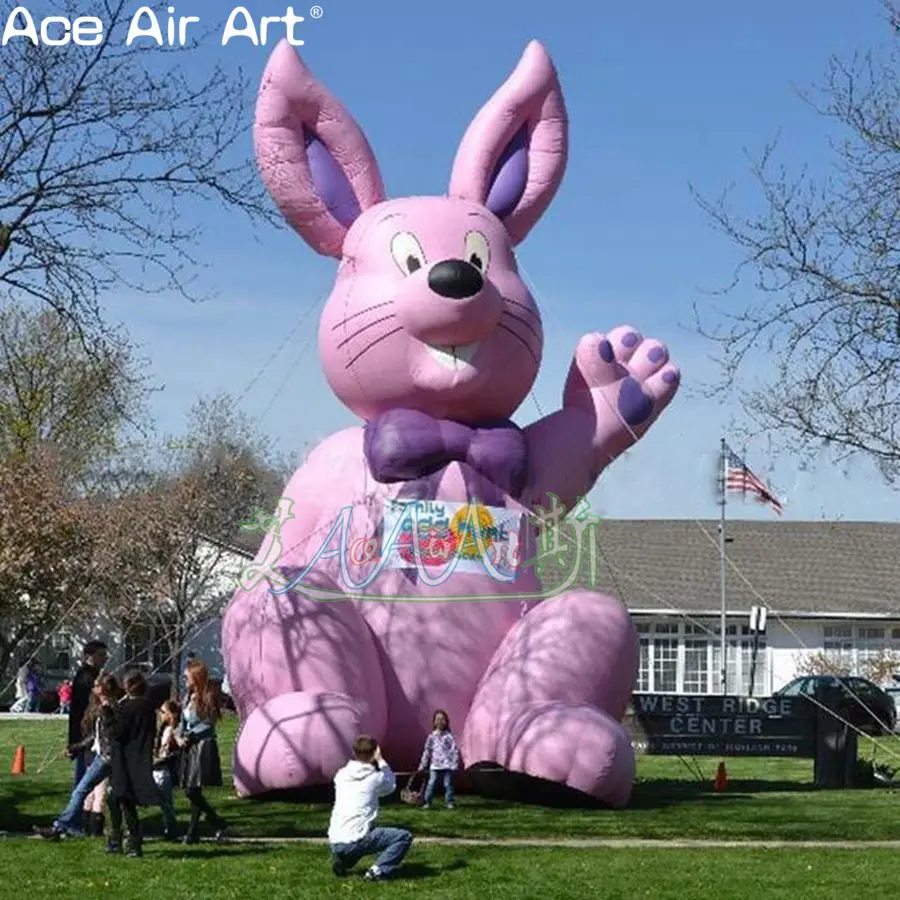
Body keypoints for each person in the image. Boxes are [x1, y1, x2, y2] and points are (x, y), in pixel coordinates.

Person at [34, 674, 122, 839]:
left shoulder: (111, 708)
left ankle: (61, 826)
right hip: (101, 755)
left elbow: (111, 734)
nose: (93, 688)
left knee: (82, 790)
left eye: (97, 685)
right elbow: (96, 736)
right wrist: (76, 747)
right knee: (89, 792)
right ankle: (69, 827)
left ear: (104, 689)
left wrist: (106, 713)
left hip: (106, 758)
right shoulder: (103, 707)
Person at [328, 735, 413, 882]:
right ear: (374, 753)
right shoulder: (375, 778)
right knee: (403, 837)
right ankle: (377, 871)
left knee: (364, 831)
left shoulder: (341, 775)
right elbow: (391, 785)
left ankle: (342, 862)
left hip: (335, 839)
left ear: (354, 752)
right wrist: (380, 760)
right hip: (355, 839)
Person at [103, 669, 158, 858]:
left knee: (124, 800)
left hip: (125, 759)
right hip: (139, 756)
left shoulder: (127, 708)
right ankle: (118, 838)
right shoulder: (148, 707)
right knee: (116, 798)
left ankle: (129, 840)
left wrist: (108, 714)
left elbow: (116, 732)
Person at [177, 658, 226, 843]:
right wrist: (180, 734)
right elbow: (183, 720)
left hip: (202, 745)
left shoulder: (209, 696)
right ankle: (205, 826)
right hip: (189, 746)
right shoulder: (187, 696)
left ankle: (196, 829)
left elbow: (209, 723)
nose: (185, 680)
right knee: (192, 790)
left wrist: (190, 735)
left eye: (187, 677)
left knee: (192, 789)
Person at [69, 640, 109, 788]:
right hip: (86, 732)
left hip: (91, 731)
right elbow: (86, 707)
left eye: (105, 655)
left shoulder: (94, 675)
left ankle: (88, 808)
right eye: (101, 655)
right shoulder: (86, 677)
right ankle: (77, 810)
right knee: (85, 778)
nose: (104, 658)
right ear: (89, 656)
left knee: (90, 778)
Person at [417, 709, 460, 809]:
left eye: (442, 719)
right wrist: (423, 764)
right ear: (434, 722)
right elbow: (427, 751)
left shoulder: (449, 736)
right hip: (435, 765)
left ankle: (449, 802)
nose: (440, 722)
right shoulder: (432, 736)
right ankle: (427, 802)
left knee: (448, 784)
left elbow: (454, 750)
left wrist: (454, 763)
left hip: (447, 764)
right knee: (431, 783)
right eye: (438, 719)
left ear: (446, 722)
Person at [153, 699, 182, 840]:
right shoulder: (163, 728)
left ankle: (171, 827)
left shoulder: (175, 729)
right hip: (157, 767)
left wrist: (161, 759)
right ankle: (169, 825)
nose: (160, 714)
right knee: (163, 801)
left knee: (165, 802)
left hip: (164, 769)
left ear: (172, 714)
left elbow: (175, 751)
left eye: (163, 712)